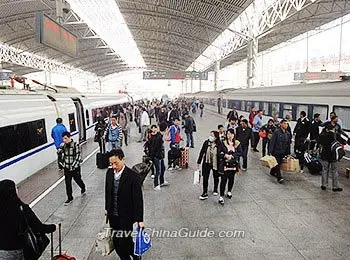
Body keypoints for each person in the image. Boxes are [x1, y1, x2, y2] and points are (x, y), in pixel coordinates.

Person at [0, 180, 58, 260]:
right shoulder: (22, 208)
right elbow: (38, 227)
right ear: (12, 191)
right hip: (17, 250)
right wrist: (54, 227)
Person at [105, 149, 144, 260]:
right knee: (117, 242)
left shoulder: (133, 176)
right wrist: (106, 208)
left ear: (123, 159)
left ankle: (134, 256)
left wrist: (139, 220)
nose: (113, 166)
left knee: (123, 241)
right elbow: (107, 192)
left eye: (116, 163)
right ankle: (133, 255)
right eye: (111, 163)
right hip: (113, 215)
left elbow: (138, 200)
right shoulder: (109, 173)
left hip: (126, 216)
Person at [57, 131, 86, 205]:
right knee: (67, 183)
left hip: (75, 167)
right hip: (66, 167)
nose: (64, 140)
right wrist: (59, 150)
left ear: (69, 137)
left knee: (78, 180)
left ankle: (83, 187)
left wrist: (73, 166)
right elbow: (59, 153)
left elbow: (78, 157)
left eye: (65, 138)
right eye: (63, 139)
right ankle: (70, 198)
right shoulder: (63, 145)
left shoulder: (75, 145)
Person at [218, 129, 242, 205]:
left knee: (231, 179)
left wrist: (232, 156)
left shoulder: (237, 143)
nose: (229, 135)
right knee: (223, 180)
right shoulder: (223, 143)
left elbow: (240, 152)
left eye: (231, 134)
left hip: (233, 165)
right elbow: (219, 153)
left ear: (234, 135)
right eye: (228, 134)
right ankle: (221, 196)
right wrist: (225, 155)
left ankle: (229, 191)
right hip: (225, 164)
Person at [197, 131, 223, 200]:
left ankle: (215, 189)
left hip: (215, 163)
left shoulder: (219, 144)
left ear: (216, 137)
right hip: (207, 162)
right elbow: (202, 152)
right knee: (205, 178)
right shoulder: (206, 143)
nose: (210, 137)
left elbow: (222, 152)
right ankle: (205, 192)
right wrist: (199, 161)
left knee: (216, 177)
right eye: (210, 135)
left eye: (212, 135)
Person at [319, 125, 343, 192]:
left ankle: (324, 185)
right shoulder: (336, 135)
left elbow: (319, 142)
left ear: (327, 129)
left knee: (325, 170)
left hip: (325, 155)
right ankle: (335, 187)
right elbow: (343, 142)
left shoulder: (323, 135)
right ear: (333, 129)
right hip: (334, 156)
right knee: (334, 171)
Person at [149, 125, 168, 191]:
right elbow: (154, 148)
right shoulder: (159, 137)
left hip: (160, 156)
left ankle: (162, 181)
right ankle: (156, 184)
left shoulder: (160, 136)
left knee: (163, 168)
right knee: (158, 171)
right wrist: (152, 158)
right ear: (165, 130)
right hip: (157, 156)